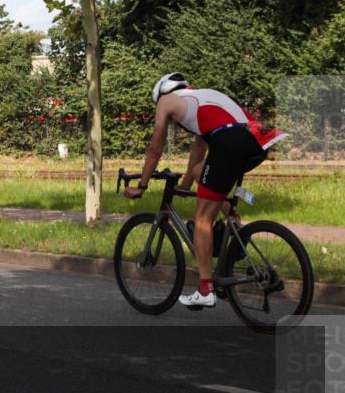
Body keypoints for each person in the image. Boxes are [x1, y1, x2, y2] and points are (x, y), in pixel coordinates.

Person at [123, 73, 287, 308]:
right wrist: (184, 187)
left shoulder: (165, 102)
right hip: (258, 140)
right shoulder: (202, 97)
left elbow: (155, 149)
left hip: (229, 142)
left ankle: (205, 289)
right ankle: (230, 215)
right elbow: (198, 154)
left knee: (201, 219)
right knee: (204, 173)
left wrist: (142, 185)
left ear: (161, 92)